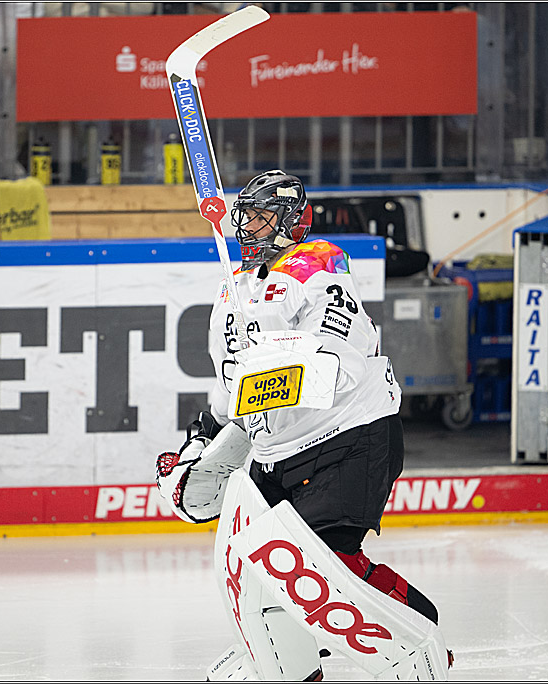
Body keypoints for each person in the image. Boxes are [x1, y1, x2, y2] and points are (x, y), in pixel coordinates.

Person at [157, 170, 451, 678]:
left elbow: (337, 364)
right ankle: (285, 667)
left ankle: (414, 635)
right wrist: (201, 445)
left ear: (292, 219)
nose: (248, 225)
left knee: (319, 563)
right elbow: (230, 392)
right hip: (278, 456)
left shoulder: (317, 263)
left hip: (351, 437)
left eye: (262, 214)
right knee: (260, 576)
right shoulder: (231, 294)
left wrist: (266, 361)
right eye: (244, 215)